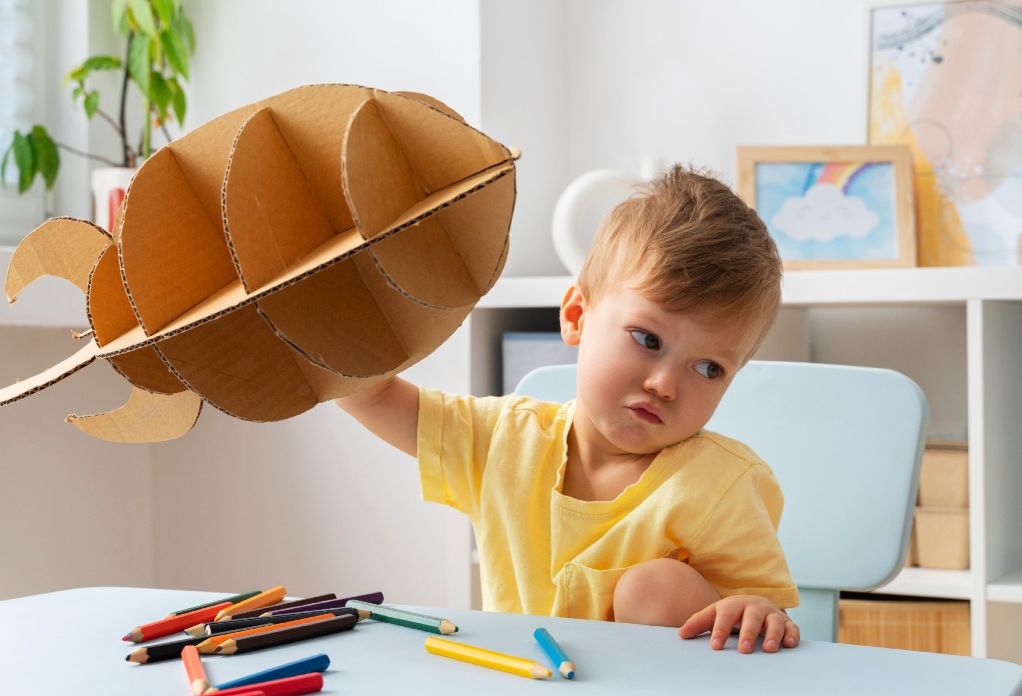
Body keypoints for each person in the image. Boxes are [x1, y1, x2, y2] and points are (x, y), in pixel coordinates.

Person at [337, 165, 799, 654]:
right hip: (523, 681)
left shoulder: (722, 485)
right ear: (577, 316)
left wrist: (758, 610)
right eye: (648, 339)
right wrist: (322, 314)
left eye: (708, 369)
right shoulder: (504, 441)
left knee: (655, 589)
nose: (664, 384)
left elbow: (768, 621)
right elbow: (371, 393)